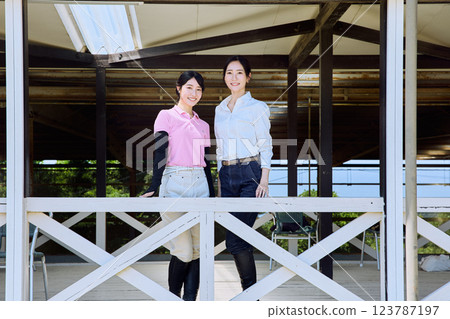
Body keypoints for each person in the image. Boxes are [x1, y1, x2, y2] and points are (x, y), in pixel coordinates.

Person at [141, 71, 214, 301]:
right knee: (182, 250)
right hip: (174, 184)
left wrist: (212, 195)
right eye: (190, 88)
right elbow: (160, 152)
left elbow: (206, 163)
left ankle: (189, 302)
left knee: (198, 250)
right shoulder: (166, 116)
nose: (194, 93)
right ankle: (174, 301)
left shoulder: (203, 125)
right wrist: (154, 186)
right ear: (178, 88)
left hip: (200, 186)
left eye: (199, 89)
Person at [214, 55, 273, 291]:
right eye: (229, 72)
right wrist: (220, 186)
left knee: (236, 239)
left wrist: (264, 181)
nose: (234, 77)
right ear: (224, 77)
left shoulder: (257, 107)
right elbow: (219, 148)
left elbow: (265, 144)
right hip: (226, 175)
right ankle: (251, 297)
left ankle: (251, 297)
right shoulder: (219, 109)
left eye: (239, 72)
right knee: (238, 238)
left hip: (251, 173)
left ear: (248, 77)